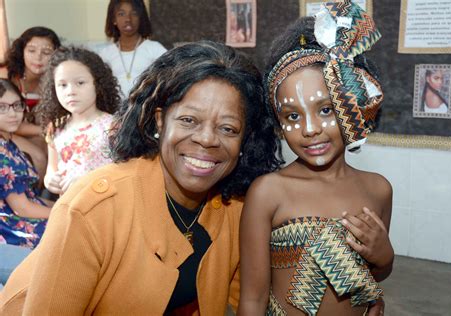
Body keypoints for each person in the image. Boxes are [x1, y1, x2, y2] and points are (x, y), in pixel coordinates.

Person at [0, 40, 282, 315]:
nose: (208, 139)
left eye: (228, 129)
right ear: (159, 120)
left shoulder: (237, 209)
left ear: (245, 139)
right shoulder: (92, 208)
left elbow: (233, 299)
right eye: (189, 120)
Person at [238, 2, 394, 315]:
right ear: (278, 123)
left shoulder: (378, 190)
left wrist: (385, 256)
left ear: (350, 106)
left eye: (325, 110)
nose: (309, 129)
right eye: (292, 116)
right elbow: (252, 299)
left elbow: (372, 275)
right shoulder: (268, 192)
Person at [37, 46, 120, 196]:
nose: (70, 91)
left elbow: (124, 172)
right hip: (69, 208)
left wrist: (87, 181)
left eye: (80, 83)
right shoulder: (55, 127)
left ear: (98, 84)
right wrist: (49, 180)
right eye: (62, 85)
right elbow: (52, 168)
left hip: (105, 207)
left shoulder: (113, 125)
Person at [0, 79, 53, 283]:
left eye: (16, 105)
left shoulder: (8, 142)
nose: (12, 113)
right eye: (2, 108)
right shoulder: (2, 150)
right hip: (9, 227)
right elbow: (23, 209)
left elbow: (31, 199)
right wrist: (67, 210)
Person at [6, 27, 61, 183]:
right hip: (4, 130)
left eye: (46, 52)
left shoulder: (56, 80)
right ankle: (32, 202)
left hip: (29, 130)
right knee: (38, 156)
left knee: (51, 149)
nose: (38, 58)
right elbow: (6, 122)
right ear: (21, 51)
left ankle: (41, 196)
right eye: (31, 50)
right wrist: (44, 130)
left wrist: (46, 131)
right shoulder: (8, 77)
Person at [100, 0, 167, 98]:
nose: (128, 19)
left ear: (141, 18)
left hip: (145, 109)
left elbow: (169, 80)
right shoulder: (105, 54)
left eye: (134, 13)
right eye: (121, 14)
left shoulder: (155, 49)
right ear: (114, 19)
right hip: (115, 111)